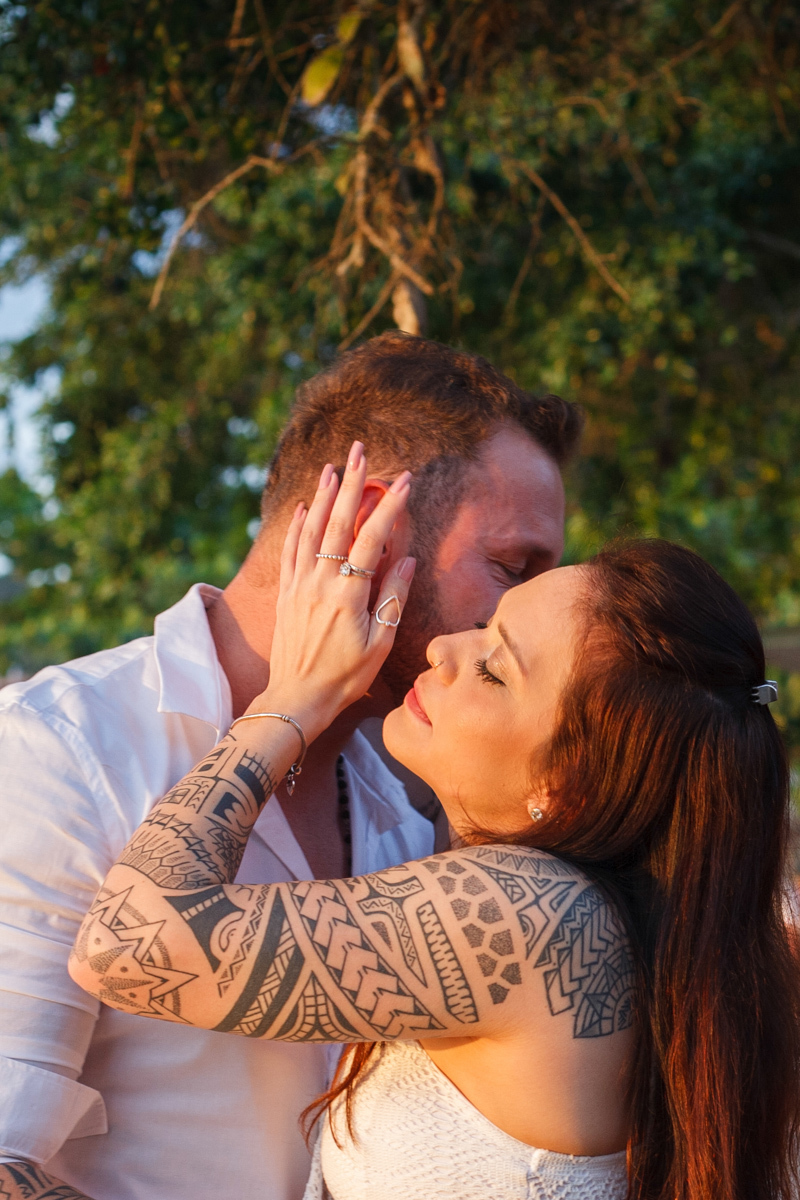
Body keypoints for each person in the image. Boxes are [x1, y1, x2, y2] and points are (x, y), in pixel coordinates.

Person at [71, 448, 800, 1200]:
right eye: (486, 626)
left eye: (495, 668)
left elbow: (125, 946)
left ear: (563, 786)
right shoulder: (645, 923)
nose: (443, 649)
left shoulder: (529, 911)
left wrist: (292, 698)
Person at [0, 333, 580, 1200]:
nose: (522, 612)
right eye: (511, 568)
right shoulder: (57, 752)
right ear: (372, 525)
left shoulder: (403, 801)